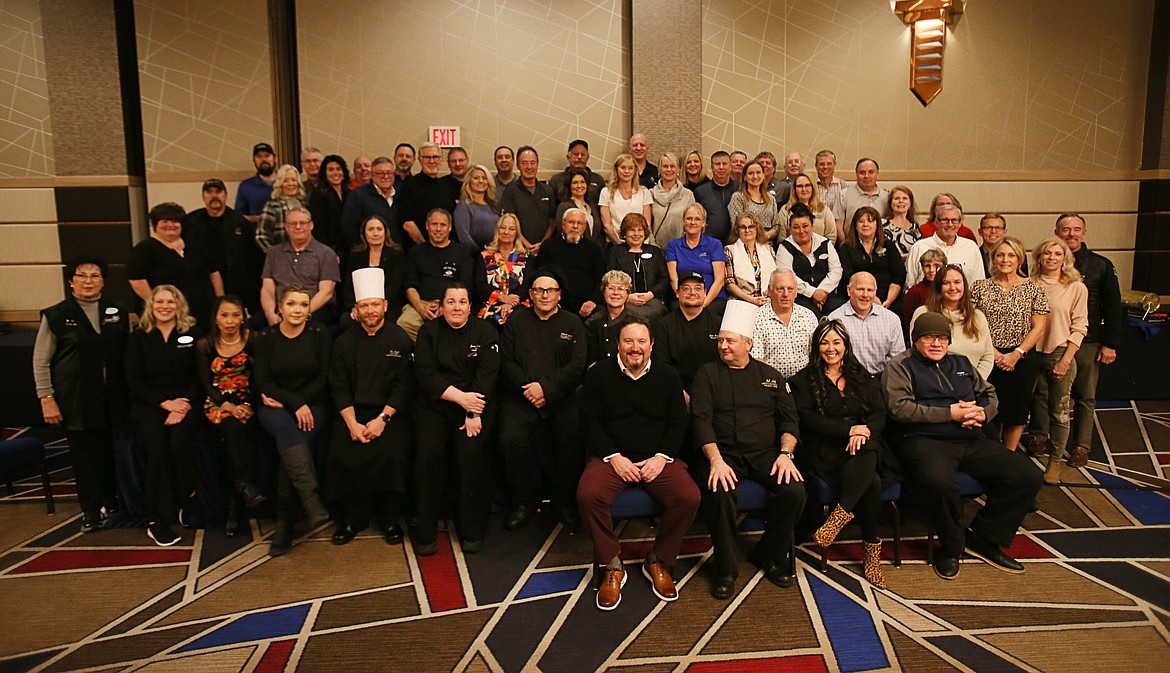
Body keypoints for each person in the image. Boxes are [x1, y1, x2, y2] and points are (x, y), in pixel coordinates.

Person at [882, 312, 1043, 580]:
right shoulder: (901, 366)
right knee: (940, 484)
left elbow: (988, 394)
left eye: (942, 338)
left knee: (1028, 475)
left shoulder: (961, 362)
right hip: (924, 442)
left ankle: (983, 537)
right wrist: (951, 413)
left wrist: (983, 412)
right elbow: (900, 409)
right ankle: (950, 548)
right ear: (916, 340)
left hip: (970, 439)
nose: (936, 344)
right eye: (929, 338)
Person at [577, 317, 699, 610]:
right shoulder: (598, 376)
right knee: (587, 495)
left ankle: (659, 559)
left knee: (689, 497)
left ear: (651, 345)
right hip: (613, 458)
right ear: (618, 345)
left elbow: (678, 423)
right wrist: (614, 457)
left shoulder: (668, 376)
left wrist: (661, 457)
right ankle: (612, 563)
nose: (635, 348)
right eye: (628, 341)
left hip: (657, 459)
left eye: (641, 341)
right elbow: (589, 423)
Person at [692, 300, 806, 599]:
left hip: (765, 454)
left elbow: (789, 421)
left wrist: (786, 454)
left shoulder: (770, 375)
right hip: (722, 454)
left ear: (749, 343)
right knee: (720, 493)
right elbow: (701, 421)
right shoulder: (706, 374)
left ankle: (768, 552)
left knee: (795, 491)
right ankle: (725, 568)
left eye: (731, 341)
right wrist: (715, 461)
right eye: (721, 340)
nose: (724, 346)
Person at [790, 319, 889, 588]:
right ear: (816, 347)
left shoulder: (862, 376)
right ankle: (870, 554)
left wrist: (864, 431)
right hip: (824, 449)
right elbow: (809, 420)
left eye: (836, 342)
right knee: (873, 482)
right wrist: (850, 429)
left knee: (869, 459)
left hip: (862, 447)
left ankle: (838, 518)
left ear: (846, 346)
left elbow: (880, 414)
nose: (831, 348)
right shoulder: (803, 380)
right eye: (824, 342)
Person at [34, 256, 129, 532]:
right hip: (76, 398)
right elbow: (41, 360)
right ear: (71, 281)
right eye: (82, 275)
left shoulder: (117, 311)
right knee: (87, 456)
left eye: (95, 276)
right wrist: (46, 397)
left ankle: (114, 502)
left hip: (115, 397)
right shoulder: (55, 314)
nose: (89, 281)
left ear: (103, 281)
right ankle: (90, 509)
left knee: (114, 452)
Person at [327, 268, 414, 546]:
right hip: (352, 413)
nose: (370, 311)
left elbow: (404, 385)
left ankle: (390, 519)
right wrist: (352, 424)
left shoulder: (400, 338)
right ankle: (352, 519)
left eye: (375, 304)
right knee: (341, 452)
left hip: (389, 413)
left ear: (385, 306)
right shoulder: (343, 342)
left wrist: (383, 419)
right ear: (356, 310)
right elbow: (338, 386)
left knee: (392, 453)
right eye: (364, 306)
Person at [413, 284, 499, 554]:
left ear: (470, 306)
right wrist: (461, 399)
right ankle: (425, 529)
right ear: (442, 305)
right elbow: (425, 374)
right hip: (436, 404)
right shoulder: (429, 332)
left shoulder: (485, 331)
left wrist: (472, 411)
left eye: (462, 302)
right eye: (451, 302)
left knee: (469, 452)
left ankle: (472, 528)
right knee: (428, 451)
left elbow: (487, 375)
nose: (457, 307)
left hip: (476, 406)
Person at [498, 269, 587, 531]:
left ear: (559, 295)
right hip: (520, 396)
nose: (545, 295)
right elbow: (505, 361)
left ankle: (564, 501)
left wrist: (546, 389)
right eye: (539, 290)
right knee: (508, 438)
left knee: (573, 436)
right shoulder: (516, 320)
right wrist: (529, 389)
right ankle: (523, 502)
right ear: (531, 294)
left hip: (560, 396)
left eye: (550, 290)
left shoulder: (573, 323)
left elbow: (577, 365)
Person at [253, 284, 333, 556]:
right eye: (291, 304)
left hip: (313, 406)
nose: (297, 309)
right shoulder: (266, 337)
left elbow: (324, 378)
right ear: (279, 307)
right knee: (289, 432)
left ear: (309, 309)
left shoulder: (320, 334)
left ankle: (285, 523)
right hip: (275, 407)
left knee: (291, 446)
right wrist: (293, 402)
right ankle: (311, 502)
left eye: (302, 304)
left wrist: (299, 403)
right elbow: (262, 380)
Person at [1044, 213, 1122, 468]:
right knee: (1046, 392)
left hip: (1088, 340)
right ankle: (1041, 437)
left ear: (1084, 233)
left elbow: (1112, 306)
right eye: (1066, 229)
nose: (1071, 234)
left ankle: (1081, 446)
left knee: (1084, 395)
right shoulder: (1047, 264)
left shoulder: (1101, 265)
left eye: (1077, 229)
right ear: (1057, 233)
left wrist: (1110, 343)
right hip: (1054, 340)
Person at [126, 285, 200, 547]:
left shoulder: (191, 333)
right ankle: (155, 519)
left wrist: (183, 406)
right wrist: (166, 404)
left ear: (179, 305)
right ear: (151, 305)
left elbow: (198, 375)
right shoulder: (139, 337)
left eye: (171, 301)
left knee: (180, 444)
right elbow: (133, 380)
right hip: (150, 405)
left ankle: (186, 498)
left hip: (186, 404)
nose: (165, 306)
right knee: (157, 449)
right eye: (159, 302)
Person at [971, 237, 1050, 451]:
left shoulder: (1034, 289)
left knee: (1017, 410)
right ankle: (993, 453)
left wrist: (1016, 353)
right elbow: (974, 324)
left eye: (1011, 255)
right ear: (993, 259)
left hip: (1022, 359)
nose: (1005, 260)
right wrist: (995, 354)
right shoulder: (979, 288)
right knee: (991, 408)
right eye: (1000, 255)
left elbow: (1038, 327)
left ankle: (1010, 454)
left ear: (1019, 259)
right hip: (989, 356)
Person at [196, 296, 265, 537]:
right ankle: (242, 493)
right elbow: (205, 383)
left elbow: (260, 376)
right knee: (232, 428)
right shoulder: (205, 344)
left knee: (238, 433)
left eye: (236, 315)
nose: (230, 321)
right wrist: (228, 406)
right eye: (224, 315)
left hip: (248, 400)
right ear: (215, 317)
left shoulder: (254, 339)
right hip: (219, 402)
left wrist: (248, 403)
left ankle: (238, 500)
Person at [1029, 238, 1088, 484]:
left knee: (1060, 411)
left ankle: (1055, 460)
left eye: (1057, 253)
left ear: (1065, 258)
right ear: (1039, 257)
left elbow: (1080, 327)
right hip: (1032, 352)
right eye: (1047, 253)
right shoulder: (1029, 284)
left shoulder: (1076, 287)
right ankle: (1037, 441)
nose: (1052, 258)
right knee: (1036, 403)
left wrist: (1065, 360)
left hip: (1060, 352)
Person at [129, 202, 220, 335]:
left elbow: (214, 273)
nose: (170, 225)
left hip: (204, 313)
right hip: (169, 316)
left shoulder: (196, 245)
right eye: (165, 221)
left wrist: (220, 302)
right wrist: (160, 306)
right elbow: (136, 280)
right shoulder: (144, 249)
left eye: (175, 221)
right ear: (155, 225)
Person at [183, 179, 264, 314]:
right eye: (209, 192)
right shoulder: (191, 222)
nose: (214, 196)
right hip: (202, 289)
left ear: (225, 196)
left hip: (236, 289)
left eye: (218, 192)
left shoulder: (240, 223)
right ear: (203, 197)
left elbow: (254, 259)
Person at [398, 207, 478, 340]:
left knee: (455, 325)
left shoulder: (461, 252)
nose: (438, 229)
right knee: (404, 324)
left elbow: (466, 286)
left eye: (443, 225)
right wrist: (421, 308)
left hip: (452, 302)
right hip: (421, 303)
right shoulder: (415, 252)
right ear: (427, 226)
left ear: (450, 227)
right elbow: (409, 285)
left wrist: (445, 305)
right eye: (434, 224)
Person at [259, 207, 341, 326]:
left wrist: (300, 314)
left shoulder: (326, 253)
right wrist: (270, 313)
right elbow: (267, 289)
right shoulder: (274, 253)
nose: (298, 227)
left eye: (303, 223)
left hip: (314, 310)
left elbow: (326, 292)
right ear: (286, 227)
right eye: (293, 223)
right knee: (254, 324)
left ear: (311, 225)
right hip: (281, 310)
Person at [910, 265, 995, 379]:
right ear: (938, 287)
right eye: (946, 283)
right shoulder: (923, 314)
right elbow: (918, 353)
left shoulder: (978, 316)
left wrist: (975, 383)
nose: (953, 287)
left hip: (974, 387)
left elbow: (988, 356)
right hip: (935, 385)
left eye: (957, 282)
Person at [525, 208, 605, 319]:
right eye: (571, 222)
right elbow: (539, 276)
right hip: (553, 302)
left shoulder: (594, 249)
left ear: (585, 227)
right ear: (563, 224)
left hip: (586, 305)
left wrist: (593, 301)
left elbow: (601, 280)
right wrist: (551, 300)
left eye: (579, 223)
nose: (575, 226)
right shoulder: (548, 246)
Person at [652, 271, 721, 396]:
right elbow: (662, 365)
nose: (692, 292)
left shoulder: (719, 324)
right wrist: (679, 392)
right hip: (674, 391)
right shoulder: (663, 325)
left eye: (698, 288)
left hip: (712, 390)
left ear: (705, 293)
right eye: (686, 288)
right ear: (678, 293)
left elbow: (722, 364)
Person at [827, 272, 905, 375]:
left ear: (875, 292)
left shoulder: (892, 319)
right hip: (847, 380)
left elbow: (897, 359)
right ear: (849, 290)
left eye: (870, 290)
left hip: (883, 380)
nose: (865, 295)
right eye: (860, 289)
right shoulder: (834, 319)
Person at [776, 203, 844, 316]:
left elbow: (836, 270)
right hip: (800, 296)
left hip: (826, 293)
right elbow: (787, 276)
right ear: (790, 229)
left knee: (839, 308)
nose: (801, 231)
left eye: (805, 226)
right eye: (796, 227)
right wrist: (812, 293)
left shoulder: (825, 243)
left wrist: (821, 292)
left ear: (812, 226)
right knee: (809, 313)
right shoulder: (784, 247)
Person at [750, 270, 818, 379]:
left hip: (804, 382)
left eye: (790, 289)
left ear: (796, 292)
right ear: (770, 291)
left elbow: (815, 356)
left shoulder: (808, 316)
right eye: (780, 289)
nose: (786, 294)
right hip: (770, 383)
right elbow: (757, 361)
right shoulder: (757, 318)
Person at [340, 215, 405, 326]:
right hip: (361, 306)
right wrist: (355, 307)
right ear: (364, 233)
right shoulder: (356, 254)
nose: (375, 233)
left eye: (379, 229)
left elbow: (395, 286)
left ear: (385, 232)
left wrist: (378, 308)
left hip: (387, 306)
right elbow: (349, 285)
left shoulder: (396, 254)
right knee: (346, 321)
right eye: (370, 229)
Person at [838, 206, 905, 310]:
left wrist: (888, 301)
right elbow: (848, 276)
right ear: (855, 225)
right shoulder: (846, 248)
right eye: (861, 221)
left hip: (888, 297)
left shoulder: (888, 245)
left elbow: (899, 274)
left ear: (877, 225)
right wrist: (872, 298)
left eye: (870, 221)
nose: (865, 224)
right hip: (858, 296)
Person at [666, 203, 728, 315]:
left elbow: (719, 280)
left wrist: (703, 303)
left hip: (712, 299)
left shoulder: (714, 244)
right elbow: (673, 278)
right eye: (689, 219)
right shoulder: (673, 245)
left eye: (697, 219)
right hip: (684, 298)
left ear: (704, 222)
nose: (693, 222)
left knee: (708, 314)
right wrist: (683, 299)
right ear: (683, 222)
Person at [604, 213, 668, 320]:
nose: (636, 234)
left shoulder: (655, 251)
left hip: (651, 299)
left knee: (658, 311)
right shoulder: (615, 252)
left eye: (640, 230)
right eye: (632, 230)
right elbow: (609, 278)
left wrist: (650, 294)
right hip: (624, 300)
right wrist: (627, 297)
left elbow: (664, 279)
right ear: (625, 232)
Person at [904, 204, 985, 286]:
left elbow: (979, 284)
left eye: (954, 220)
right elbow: (909, 284)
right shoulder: (919, 247)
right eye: (945, 220)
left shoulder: (971, 247)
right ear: (936, 222)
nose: (950, 224)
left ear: (960, 223)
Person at [398, 143, 461, 247]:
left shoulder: (447, 185)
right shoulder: (410, 185)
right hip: (420, 250)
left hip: (447, 249)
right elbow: (408, 224)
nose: (432, 161)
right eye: (427, 157)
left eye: (435, 157)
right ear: (420, 160)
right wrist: (426, 247)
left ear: (440, 160)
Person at [500, 145, 557, 253]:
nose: (529, 167)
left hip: (544, 249)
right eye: (524, 163)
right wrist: (528, 246)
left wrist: (542, 244)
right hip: (519, 250)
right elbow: (509, 223)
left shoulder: (548, 190)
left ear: (537, 164)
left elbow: (552, 222)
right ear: (518, 165)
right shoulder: (510, 191)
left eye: (532, 162)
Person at [478, 213, 529, 325]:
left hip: (518, 304)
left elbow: (528, 285)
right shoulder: (485, 256)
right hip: (491, 303)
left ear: (516, 233)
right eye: (503, 228)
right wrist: (502, 298)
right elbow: (480, 285)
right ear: (498, 230)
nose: (506, 232)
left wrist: (511, 302)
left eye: (511, 229)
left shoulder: (525, 257)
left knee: (519, 319)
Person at [339, 155, 399, 247]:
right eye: (380, 173)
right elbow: (348, 227)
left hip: (397, 254)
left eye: (389, 172)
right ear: (372, 175)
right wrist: (361, 249)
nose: (386, 176)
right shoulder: (357, 195)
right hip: (367, 254)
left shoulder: (400, 195)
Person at [599, 153, 652, 246]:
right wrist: (620, 245)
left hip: (641, 244)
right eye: (623, 167)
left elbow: (647, 223)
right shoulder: (606, 192)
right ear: (616, 169)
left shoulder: (644, 192)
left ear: (635, 170)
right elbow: (607, 225)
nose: (626, 171)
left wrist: (639, 244)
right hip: (616, 244)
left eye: (630, 168)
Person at [724, 212, 776, 306]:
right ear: (737, 230)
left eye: (751, 226)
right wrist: (752, 300)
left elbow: (776, 278)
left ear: (757, 229)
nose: (747, 230)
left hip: (768, 301)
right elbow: (730, 283)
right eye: (743, 227)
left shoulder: (769, 249)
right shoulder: (729, 250)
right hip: (741, 301)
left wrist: (768, 299)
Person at [727, 159, 782, 244]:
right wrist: (757, 238)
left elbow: (776, 225)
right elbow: (737, 225)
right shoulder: (738, 197)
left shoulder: (770, 198)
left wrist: (766, 236)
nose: (755, 176)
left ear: (763, 175)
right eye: (751, 173)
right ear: (745, 177)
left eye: (758, 173)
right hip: (746, 245)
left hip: (767, 246)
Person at [256, 164, 308, 252]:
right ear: (280, 183)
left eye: (293, 180)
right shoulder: (272, 206)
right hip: (281, 259)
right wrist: (274, 254)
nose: (290, 184)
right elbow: (261, 236)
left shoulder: (304, 205)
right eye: (286, 180)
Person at [307, 154, 351, 258]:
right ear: (325, 173)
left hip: (349, 249)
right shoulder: (318, 195)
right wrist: (330, 250)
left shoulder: (350, 194)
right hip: (329, 250)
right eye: (331, 170)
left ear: (344, 172)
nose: (335, 173)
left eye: (338, 169)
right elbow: (318, 227)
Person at [585, 270, 631, 366]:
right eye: (611, 288)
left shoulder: (638, 321)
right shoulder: (592, 322)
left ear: (627, 294)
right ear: (603, 292)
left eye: (621, 289)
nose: (615, 293)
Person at [649, 152, 696, 246]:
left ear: (678, 169)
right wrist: (653, 245)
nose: (669, 170)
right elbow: (646, 224)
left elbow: (693, 223)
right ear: (659, 169)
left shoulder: (688, 195)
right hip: (655, 249)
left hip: (682, 249)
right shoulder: (650, 194)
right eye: (665, 166)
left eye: (672, 166)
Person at [693, 151, 738, 243]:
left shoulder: (740, 189)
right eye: (717, 164)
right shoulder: (700, 191)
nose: (721, 167)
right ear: (712, 167)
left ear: (730, 167)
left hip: (736, 243)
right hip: (709, 244)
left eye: (724, 164)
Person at [548, 139, 606, 209]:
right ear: (568, 157)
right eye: (576, 154)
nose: (579, 157)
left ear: (587, 157)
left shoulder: (598, 180)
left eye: (583, 154)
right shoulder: (556, 180)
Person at [453, 164, 500, 251]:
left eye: (484, 178)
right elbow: (464, 237)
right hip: (475, 257)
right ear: (469, 181)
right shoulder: (464, 207)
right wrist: (481, 255)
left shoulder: (493, 205)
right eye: (476, 178)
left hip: (495, 255)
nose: (481, 181)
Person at [778, 173, 835, 243]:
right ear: (794, 189)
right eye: (800, 186)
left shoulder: (823, 210)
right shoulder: (786, 210)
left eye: (807, 185)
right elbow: (781, 237)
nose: (804, 189)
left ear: (813, 187)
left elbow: (831, 236)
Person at [902, 249, 947, 333]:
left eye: (936, 265)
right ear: (922, 268)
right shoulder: (915, 291)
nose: (931, 270)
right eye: (927, 266)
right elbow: (909, 323)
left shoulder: (949, 289)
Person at [841, 158, 889, 230]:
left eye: (871, 172)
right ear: (856, 174)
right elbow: (839, 225)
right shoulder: (843, 195)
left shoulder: (886, 197)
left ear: (877, 174)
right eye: (862, 172)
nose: (866, 176)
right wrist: (846, 241)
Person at [236, 142, 278, 223]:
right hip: (255, 233)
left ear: (275, 158)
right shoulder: (245, 186)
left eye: (267, 156)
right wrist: (261, 219)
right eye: (259, 156)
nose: (264, 159)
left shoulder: (286, 183)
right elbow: (238, 216)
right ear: (254, 160)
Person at [555, 167, 598, 242]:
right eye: (575, 183)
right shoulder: (564, 206)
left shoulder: (593, 207)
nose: (579, 186)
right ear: (569, 186)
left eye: (582, 182)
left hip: (592, 250)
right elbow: (561, 232)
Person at [978, 213, 1027, 278]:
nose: (993, 231)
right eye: (988, 228)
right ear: (980, 232)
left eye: (998, 228)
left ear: (1005, 232)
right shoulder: (975, 254)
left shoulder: (1017, 254)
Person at [882, 185, 921, 259]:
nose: (901, 201)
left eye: (904, 198)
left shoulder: (915, 228)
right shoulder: (882, 224)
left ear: (910, 204)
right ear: (891, 204)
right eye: (897, 198)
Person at [814, 149, 847, 232]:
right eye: (821, 164)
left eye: (829, 164)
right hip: (817, 231)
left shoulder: (844, 186)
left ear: (835, 165)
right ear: (816, 166)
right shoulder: (810, 186)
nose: (825, 167)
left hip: (839, 230)